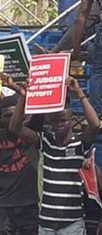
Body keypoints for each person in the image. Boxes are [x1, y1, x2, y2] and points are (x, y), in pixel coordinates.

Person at [9, 77, 101, 235]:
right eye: (54, 121)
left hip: (72, 223)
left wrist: (79, 92)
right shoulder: (45, 141)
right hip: (46, 223)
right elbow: (15, 127)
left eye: (63, 120)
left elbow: (95, 124)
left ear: (72, 121)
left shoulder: (79, 143)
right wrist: (24, 97)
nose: (58, 124)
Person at [0, 92, 39, 235]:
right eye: (8, 115)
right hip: (3, 208)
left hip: (28, 205)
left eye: (16, 114)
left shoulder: (31, 133)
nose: (13, 119)